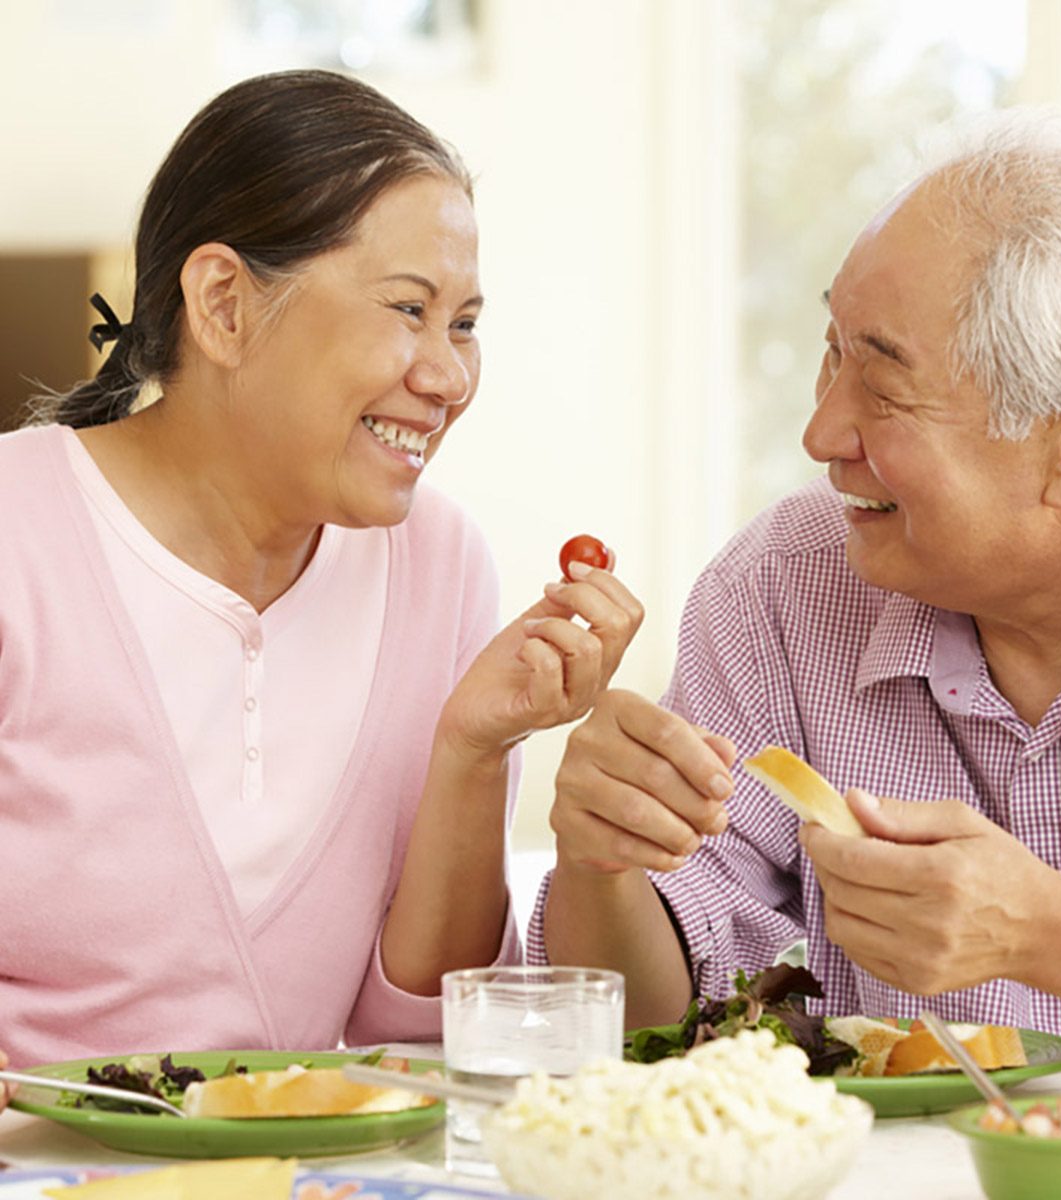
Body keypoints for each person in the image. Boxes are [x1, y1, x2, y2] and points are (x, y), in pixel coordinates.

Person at [0, 70, 641, 1068]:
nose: (450, 376)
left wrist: (472, 751)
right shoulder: (17, 537)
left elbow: (418, 1045)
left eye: (465, 323)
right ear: (224, 305)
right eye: (409, 309)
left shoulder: (440, 564)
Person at [531, 109, 1061, 1038]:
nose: (820, 436)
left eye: (883, 390)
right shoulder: (778, 589)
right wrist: (599, 860)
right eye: (831, 353)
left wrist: (1056, 935)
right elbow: (661, 1025)